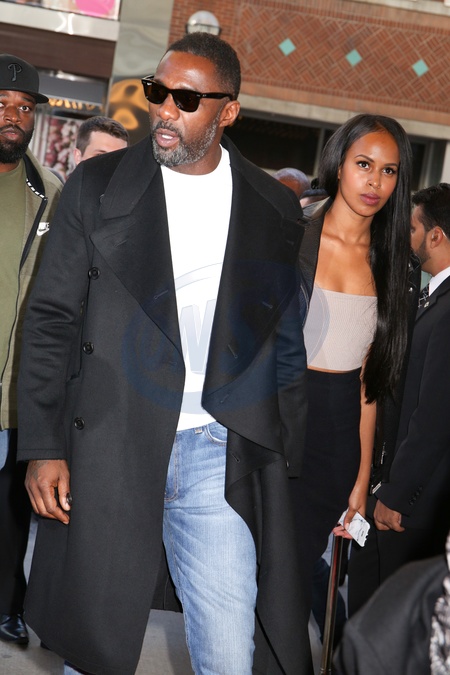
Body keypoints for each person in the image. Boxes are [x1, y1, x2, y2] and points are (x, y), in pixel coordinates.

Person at [17, 32, 313, 675]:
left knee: (230, 654)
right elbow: (50, 319)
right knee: (94, 649)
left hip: (218, 450)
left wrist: (283, 447)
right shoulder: (98, 186)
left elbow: (283, 335)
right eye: (158, 91)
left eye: (187, 99)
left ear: (229, 111)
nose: (165, 110)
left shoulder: (271, 205)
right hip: (111, 440)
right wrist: (43, 445)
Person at [290, 114, 417, 626]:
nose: (375, 182)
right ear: (339, 163)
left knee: (294, 575)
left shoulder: (394, 265)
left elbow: (371, 384)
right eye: (364, 164)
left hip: (337, 441)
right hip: (276, 427)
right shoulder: (291, 236)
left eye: (389, 171)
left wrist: (363, 480)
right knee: (259, 574)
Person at [348, 183, 450, 615]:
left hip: (410, 506)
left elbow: (435, 417)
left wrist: (397, 495)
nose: (407, 239)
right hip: (392, 491)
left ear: (436, 236)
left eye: (412, 229)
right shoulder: (431, 296)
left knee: (385, 623)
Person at [0, 53, 62, 645]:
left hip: (16, 391)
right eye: (2, 103)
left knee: (10, 513)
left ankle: (6, 605)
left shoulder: (50, 193)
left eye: (24, 107)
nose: (14, 116)